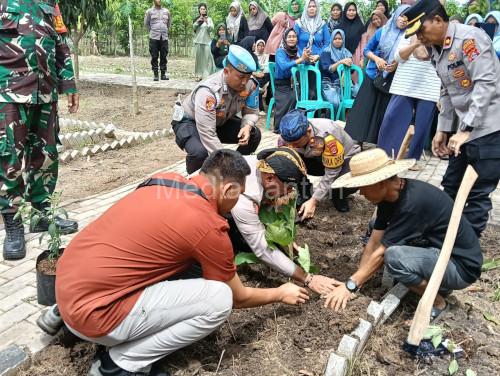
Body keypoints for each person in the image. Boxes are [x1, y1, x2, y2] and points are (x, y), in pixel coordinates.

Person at [53, 149, 309, 376]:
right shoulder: (207, 224)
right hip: (95, 315)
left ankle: (59, 317)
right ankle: (119, 364)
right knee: (219, 299)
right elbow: (238, 298)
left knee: (186, 263)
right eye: (238, 195)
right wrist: (279, 292)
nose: (235, 204)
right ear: (229, 189)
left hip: (68, 286)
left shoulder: (164, 181)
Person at [324, 148, 482, 318]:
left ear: (380, 183)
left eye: (363, 187)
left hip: (459, 267)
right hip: (437, 252)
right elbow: (375, 241)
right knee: (374, 228)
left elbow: (382, 253)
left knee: (394, 257)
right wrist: (358, 280)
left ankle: (438, 302)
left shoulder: (412, 204)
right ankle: (438, 284)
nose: (361, 193)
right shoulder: (390, 197)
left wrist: (350, 285)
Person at [404, 0, 500, 237]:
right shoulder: (437, 49)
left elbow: (486, 84)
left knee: (477, 195)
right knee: (450, 186)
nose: (419, 38)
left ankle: (465, 254)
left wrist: (465, 129)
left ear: (437, 20)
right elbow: (448, 90)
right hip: (464, 130)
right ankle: (441, 238)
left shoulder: (469, 40)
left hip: (488, 129)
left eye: (420, 30)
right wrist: (443, 129)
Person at [0, 0, 79, 260]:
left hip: (46, 92)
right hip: (9, 93)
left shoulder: (49, 3)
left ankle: (41, 213)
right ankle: (12, 222)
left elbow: (60, 44)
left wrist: (69, 85)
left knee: (45, 155)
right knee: (9, 159)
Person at [228, 147, 341, 295]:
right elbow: (263, 250)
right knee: (249, 247)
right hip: (205, 218)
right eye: (287, 187)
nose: (288, 192)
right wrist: (308, 278)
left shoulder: (262, 166)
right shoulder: (243, 198)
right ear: (269, 178)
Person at [172, 45, 261, 174]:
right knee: (200, 153)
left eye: (248, 77)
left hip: (217, 121)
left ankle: (238, 170)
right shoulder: (209, 91)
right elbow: (208, 133)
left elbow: (252, 112)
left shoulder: (251, 85)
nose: (244, 82)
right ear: (226, 72)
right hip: (191, 123)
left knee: (254, 134)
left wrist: (247, 126)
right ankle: (195, 185)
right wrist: (226, 161)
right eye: (241, 77)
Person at [345, 5, 410, 145]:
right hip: (373, 74)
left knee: (383, 111)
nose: (404, 20)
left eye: (407, 17)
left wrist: (396, 65)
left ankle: (380, 142)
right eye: (401, 15)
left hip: (392, 78)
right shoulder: (382, 32)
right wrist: (377, 59)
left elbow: (408, 58)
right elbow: (367, 50)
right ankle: (357, 141)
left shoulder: (409, 37)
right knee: (364, 108)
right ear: (395, 16)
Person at [278, 110, 361, 214]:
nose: (292, 146)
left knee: (350, 179)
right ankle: (304, 191)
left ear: (308, 131)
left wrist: (314, 201)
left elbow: (332, 172)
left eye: (296, 143)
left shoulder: (328, 136)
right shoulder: (287, 134)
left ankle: (338, 194)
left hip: (344, 161)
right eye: (289, 143)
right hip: (316, 159)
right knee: (286, 160)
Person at [377, 33, 441, 164]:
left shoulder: (439, 37)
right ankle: (385, 155)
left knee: (422, 126)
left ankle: (412, 159)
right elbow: (398, 57)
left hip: (429, 87)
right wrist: (417, 43)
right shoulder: (408, 34)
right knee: (392, 118)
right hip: (404, 85)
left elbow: (442, 61)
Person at [274, 28, 309, 132]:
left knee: (308, 95)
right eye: (289, 37)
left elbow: (304, 64)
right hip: (282, 85)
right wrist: (301, 59)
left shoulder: (297, 51)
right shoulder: (280, 51)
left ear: (297, 39)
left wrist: (307, 59)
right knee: (293, 97)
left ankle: (297, 125)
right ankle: (282, 126)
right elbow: (284, 66)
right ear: (285, 38)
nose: (291, 39)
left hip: (295, 84)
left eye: (294, 37)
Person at [320, 29, 359, 113]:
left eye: (340, 39)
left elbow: (351, 71)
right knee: (335, 103)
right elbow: (328, 69)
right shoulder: (326, 52)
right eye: (335, 39)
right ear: (332, 40)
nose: (337, 41)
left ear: (343, 40)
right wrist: (341, 62)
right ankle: (331, 121)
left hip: (344, 84)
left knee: (358, 92)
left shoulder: (347, 53)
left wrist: (349, 64)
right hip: (329, 84)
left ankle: (350, 120)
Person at [294, 0, 330, 64]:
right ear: (306, 8)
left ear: (317, 8)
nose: (312, 8)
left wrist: (319, 55)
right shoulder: (299, 24)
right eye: (309, 6)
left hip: (318, 61)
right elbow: (293, 42)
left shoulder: (322, 24)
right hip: (300, 60)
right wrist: (303, 55)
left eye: (314, 6)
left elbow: (328, 43)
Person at [144, 0, 172, 81]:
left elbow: (168, 23)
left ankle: (163, 74)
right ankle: (155, 74)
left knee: (164, 56)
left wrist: (164, 30)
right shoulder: (149, 11)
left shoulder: (166, 11)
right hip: (154, 37)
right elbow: (146, 23)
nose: (159, 0)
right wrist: (152, 31)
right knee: (154, 56)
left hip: (164, 37)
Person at [193, 3, 216, 80]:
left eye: (204, 9)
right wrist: (198, 21)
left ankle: (206, 75)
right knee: (199, 60)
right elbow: (194, 28)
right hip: (198, 41)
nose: (203, 10)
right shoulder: (196, 19)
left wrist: (206, 22)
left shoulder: (209, 19)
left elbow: (211, 28)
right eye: (201, 9)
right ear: (199, 10)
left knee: (207, 59)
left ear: (206, 10)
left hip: (207, 41)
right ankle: (199, 75)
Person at [255, 39, 271, 114]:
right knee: (257, 86)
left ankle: (259, 85)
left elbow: (267, 66)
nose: (261, 47)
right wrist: (258, 71)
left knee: (269, 74)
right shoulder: (253, 55)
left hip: (263, 75)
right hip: (255, 75)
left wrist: (261, 69)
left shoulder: (266, 55)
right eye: (259, 46)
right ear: (256, 46)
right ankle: (261, 109)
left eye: (262, 46)